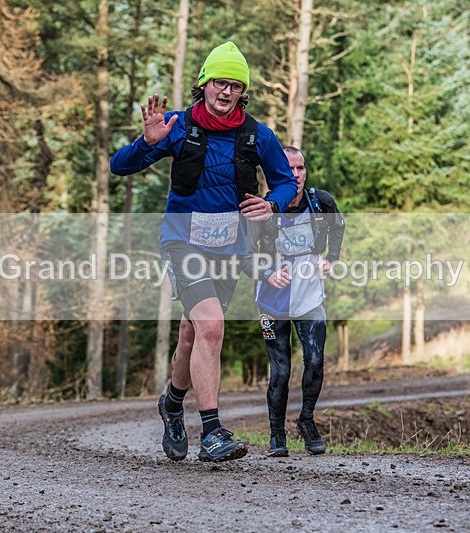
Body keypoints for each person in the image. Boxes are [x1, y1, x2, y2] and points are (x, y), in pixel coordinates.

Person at [110, 42, 298, 462]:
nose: (226, 92)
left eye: (235, 85)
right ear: (204, 84)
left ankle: (172, 405)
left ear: (242, 92)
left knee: (192, 333)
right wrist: (147, 143)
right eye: (219, 83)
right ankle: (212, 433)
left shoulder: (257, 135)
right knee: (211, 326)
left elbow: (286, 181)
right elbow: (119, 166)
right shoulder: (178, 125)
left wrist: (272, 204)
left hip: (229, 248)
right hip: (183, 242)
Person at [242, 146, 345, 457]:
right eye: (289, 169)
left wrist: (332, 259)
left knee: (315, 361)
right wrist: (267, 273)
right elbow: (243, 257)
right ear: (276, 172)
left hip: (310, 297)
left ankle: (306, 420)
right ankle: (277, 435)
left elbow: (338, 227)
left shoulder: (320, 201)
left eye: (301, 168)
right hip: (271, 302)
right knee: (281, 371)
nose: (296, 175)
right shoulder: (260, 210)